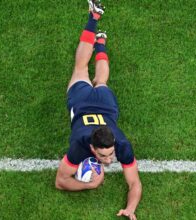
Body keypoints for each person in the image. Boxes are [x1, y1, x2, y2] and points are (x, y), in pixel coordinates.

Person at [55, 0, 142, 219]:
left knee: (92, 74)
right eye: (104, 155)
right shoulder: (79, 146)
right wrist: (90, 185)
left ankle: (97, 26)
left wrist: (131, 209)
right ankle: (97, 29)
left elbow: (134, 183)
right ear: (92, 148)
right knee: (88, 72)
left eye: (110, 153)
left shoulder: (121, 144)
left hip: (103, 107)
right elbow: (60, 182)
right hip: (83, 101)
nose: (110, 158)